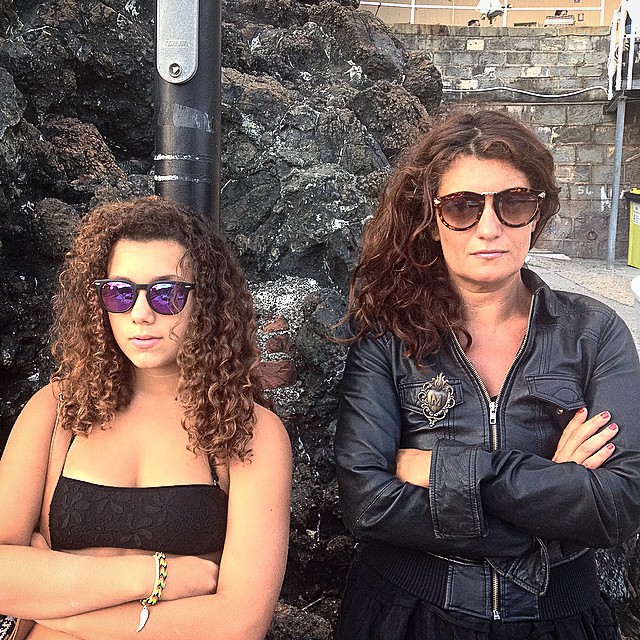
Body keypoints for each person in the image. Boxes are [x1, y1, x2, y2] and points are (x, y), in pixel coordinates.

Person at [334, 109, 640, 640]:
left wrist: (449, 472)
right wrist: (548, 502)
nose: (489, 227)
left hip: (558, 620)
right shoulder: (388, 336)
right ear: (432, 220)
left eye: (513, 203)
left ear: (536, 214)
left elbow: (618, 505)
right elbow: (368, 503)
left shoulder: (595, 333)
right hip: (408, 615)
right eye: (462, 207)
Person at [0, 196, 292, 640]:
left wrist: (50, 600)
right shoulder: (57, 411)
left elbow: (239, 624)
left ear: (206, 302)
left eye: (167, 293)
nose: (141, 313)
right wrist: (161, 575)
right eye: (119, 292)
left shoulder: (249, 431)